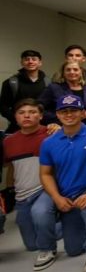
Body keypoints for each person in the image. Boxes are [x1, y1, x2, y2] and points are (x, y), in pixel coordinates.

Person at [32, 94, 86, 272]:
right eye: (64, 111)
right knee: (39, 210)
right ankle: (47, 248)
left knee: (77, 244)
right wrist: (56, 197)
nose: (69, 114)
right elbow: (45, 174)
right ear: (57, 114)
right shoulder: (48, 142)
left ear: (82, 113)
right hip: (61, 189)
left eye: (74, 110)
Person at [2, 99, 51, 251]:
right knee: (31, 245)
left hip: (45, 190)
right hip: (22, 195)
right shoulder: (8, 141)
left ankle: (67, 225)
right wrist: (10, 189)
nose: (27, 116)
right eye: (21, 113)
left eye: (32, 112)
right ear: (15, 117)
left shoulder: (51, 134)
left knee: (40, 213)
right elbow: (11, 167)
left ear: (41, 116)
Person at [39, 61, 86, 128]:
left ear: (81, 71)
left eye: (75, 69)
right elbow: (39, 107)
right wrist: (60, 117)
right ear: (63, 72)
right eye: (68, 70)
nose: (72, 72)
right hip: (61, 126)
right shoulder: (54, 88)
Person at [0, 50, 49, 133]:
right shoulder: (10, 83)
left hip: (42, 128)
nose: (30, 62)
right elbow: (3, 106)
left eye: (34, 59)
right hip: (17, 128)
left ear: (40, 63)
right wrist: (16, 119)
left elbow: (51, 107)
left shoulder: (48, 83)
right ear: (22, 62)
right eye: (27, 59)